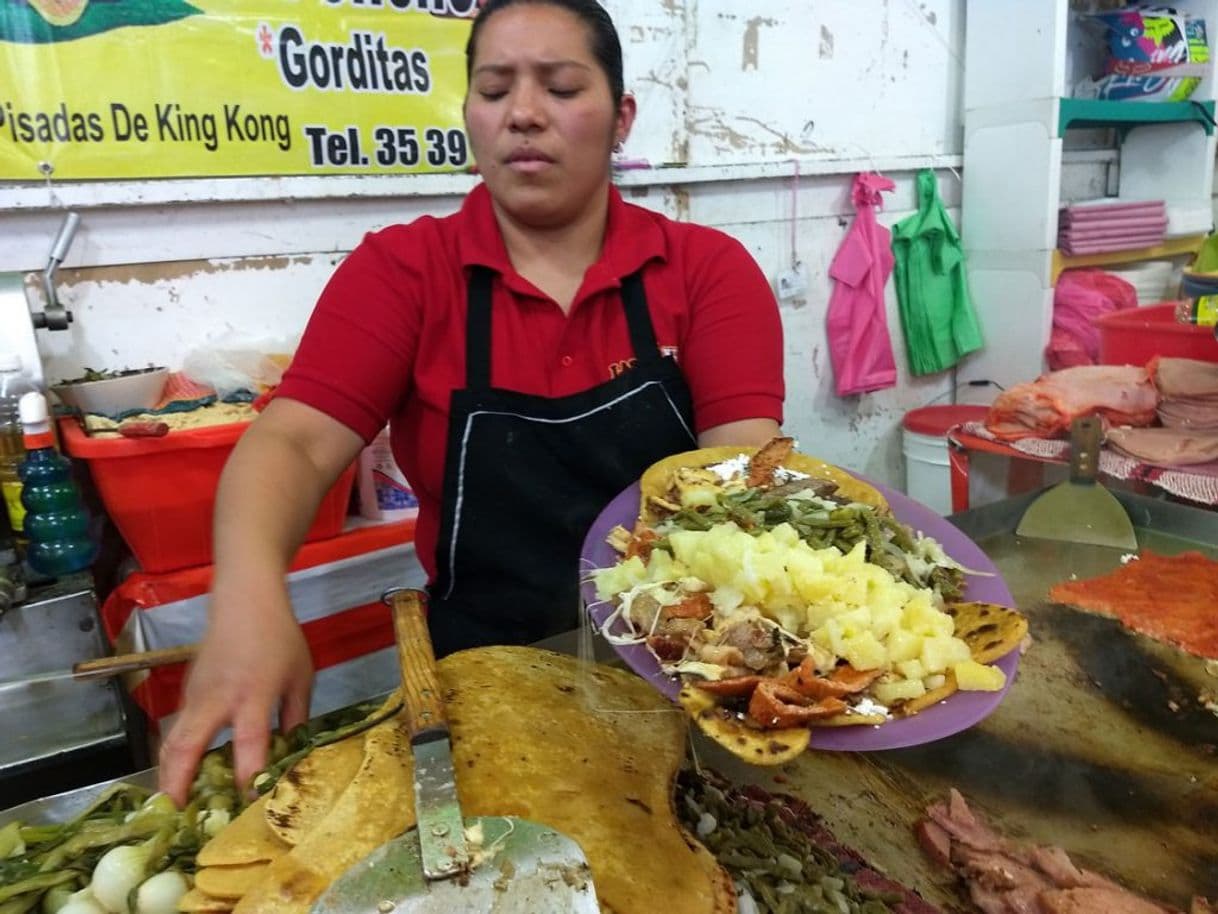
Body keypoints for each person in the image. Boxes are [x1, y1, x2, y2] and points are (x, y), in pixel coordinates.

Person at [158, 0, 784, 805]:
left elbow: (740, 475)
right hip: (476, 681)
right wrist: (247, 601)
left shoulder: (704, 271)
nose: (524, 113)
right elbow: (295, 443)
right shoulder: (405, 272)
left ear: (621, 118)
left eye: (560, 87)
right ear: (468, 115)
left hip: (686, 671)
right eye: (494, 90)